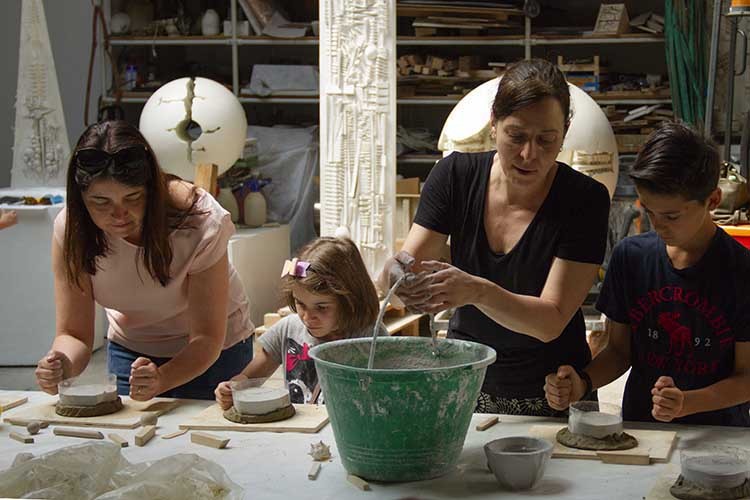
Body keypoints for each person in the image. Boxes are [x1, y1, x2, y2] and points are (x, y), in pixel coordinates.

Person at [379, 58, 611, 416]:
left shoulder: (585, 200)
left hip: (554, 388)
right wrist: (397, 276)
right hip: (468, 378)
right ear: (494, 125)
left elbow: (550, 322)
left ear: (563, 134)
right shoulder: (453, 176)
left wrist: (477, 290)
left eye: (546, 140)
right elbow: (409, 263)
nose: (529, 155)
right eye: (516, 136)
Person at [544, 122, 750, 426]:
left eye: (671, 215)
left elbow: (746, 377)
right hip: (643, 428)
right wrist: (583, 382)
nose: (657, 225)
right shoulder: (632, 258)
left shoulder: (741, 270)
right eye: (649, 211)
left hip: (718, 435)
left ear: (713, 201)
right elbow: (618, 351)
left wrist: (689, 402)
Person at [35, 120, 254, 401]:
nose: (119, 213)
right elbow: (74, 334)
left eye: (133, 197)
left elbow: (206, 338)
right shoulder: (72, 230)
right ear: (81, 198)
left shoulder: (198, 220)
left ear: (153, 189)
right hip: (132, 348)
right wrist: (61, 366)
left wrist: (162, 379)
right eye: (101, 202)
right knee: (132, 439)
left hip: (216, 352)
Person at [215, 237, 380, 408]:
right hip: (301, 432)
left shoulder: (371, 336)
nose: (308, 317)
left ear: (350, 301)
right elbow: (249, 378)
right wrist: (232, 388)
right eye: (300, 304)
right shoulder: (287, 329)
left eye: (322, 307)